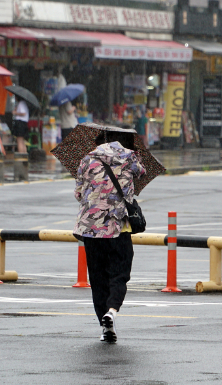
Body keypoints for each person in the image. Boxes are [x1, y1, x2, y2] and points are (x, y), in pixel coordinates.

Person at [73, 129, 146, 343]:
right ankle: (112, 311)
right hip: (118, 227)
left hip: (91, 229)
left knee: (98, 279)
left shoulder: (86, 159)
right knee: (119, 275)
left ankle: (105, 328)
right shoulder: (130, 157)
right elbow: (140, 175)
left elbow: (78, 194)